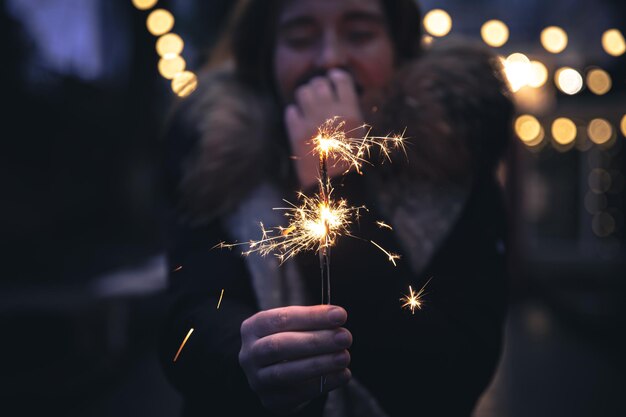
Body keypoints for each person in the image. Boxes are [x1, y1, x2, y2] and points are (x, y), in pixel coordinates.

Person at [159, 0, 514, 416]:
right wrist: (242, 354)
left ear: (398, 48)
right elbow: (187, 317)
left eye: (360, 34)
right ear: (267, 54)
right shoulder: (216, 163)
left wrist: (337, 181)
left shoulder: (454, 167)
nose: (330, 59)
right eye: (300, 38)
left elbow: (450, 375)